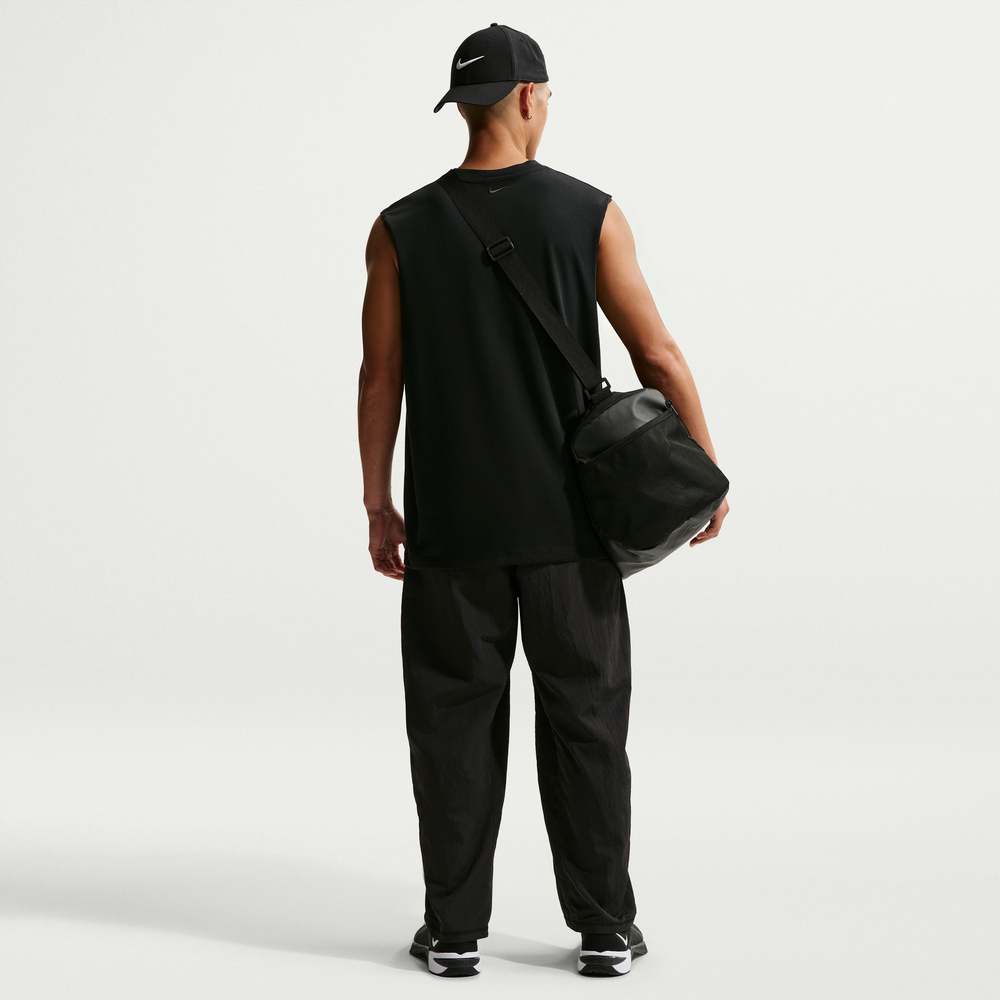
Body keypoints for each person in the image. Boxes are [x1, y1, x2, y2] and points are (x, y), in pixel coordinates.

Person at [358, 23, 729, 979]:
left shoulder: (399, 227)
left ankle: (453, 933)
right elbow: (658, 354)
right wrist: (703, 468)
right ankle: (604, 929)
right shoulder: (588, 212)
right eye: (548, 96)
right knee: (587, 724)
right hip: (571, 526)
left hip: (452, 527)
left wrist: (377, 501)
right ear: (529, 97)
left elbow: (380, 375)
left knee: (451, 726)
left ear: (464, 107)